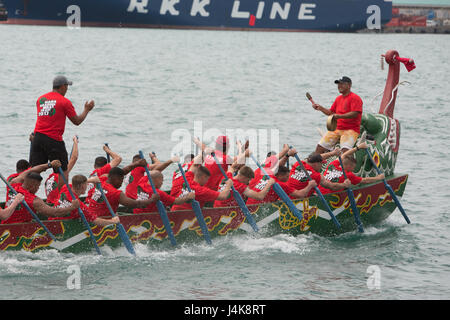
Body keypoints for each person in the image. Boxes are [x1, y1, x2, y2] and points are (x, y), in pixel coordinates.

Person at [31, 75, 94, 174]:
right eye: (67, 87)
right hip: (53, 139)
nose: (67, 89)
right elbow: (77, 121)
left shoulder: (40, 99)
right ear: (63, 86)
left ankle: (25, 189)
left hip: (37, 137)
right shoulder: (64, 101)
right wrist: (86, 110)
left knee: (34, 170)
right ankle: (62, 189)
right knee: (62, 170)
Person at [1, 169, 80, 224]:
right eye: (38, 186)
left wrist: (47, 165)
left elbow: (30, 170)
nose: (38, 189)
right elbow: (54, 213)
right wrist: (72, 207)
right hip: (16, 230)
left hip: (5, 223)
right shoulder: (34, 201)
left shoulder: (13, 185)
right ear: (33, 186)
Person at [312, 76, 363, 154]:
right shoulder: (338, 98)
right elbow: (331, 113)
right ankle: (313, 165)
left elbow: (355, 113)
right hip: (336, 129)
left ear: (349, 85)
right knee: (319, 147)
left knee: (345, 151)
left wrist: (339, 116)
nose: (339, 86)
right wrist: (321, 108)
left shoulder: (355, 98)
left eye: (342, 84)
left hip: (351, 130)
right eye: (338, 84)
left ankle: (346, 165)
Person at [86, 167, 159, 219]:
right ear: (115, 179)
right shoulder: (115, 193)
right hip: (100, 221)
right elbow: (135, 204)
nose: (121, 183)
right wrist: (152, 199)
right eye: (121, 180)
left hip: (90, 216)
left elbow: (121, 171)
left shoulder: (101, 181)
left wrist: (136, 164)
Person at [50, 174, 120, 227]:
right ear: (83, 186)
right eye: (86, 185)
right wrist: (113, 221)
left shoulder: (65, 187)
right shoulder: (79, 205)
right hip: (60, 226)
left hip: (51, 220)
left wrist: (91, 180)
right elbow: (97, 221)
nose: (87, 187)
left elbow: (76, 183)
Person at [318, 143, 385, 194]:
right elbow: (365, 180)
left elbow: (344, 155)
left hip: (318, 193)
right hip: (328, 196)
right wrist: (378, 178)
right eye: (353, 167)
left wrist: (358, 147)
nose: (353, 169)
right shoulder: (349, 175)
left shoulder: (332, 165)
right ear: (349, 166)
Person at [246, 165, 317, 205]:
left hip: (248, 204)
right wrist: (310, 185)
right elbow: (300, 195)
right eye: (287, 176)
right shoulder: (281, 184)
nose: (288, 178)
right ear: (280, 176)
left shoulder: (268, 175)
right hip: (258, 208)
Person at [44, 135, 79, 205]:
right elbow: (74, 158)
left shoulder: (49, 178)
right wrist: (75, 142)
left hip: (49, 204)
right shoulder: (61, 175)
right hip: (58, 205)